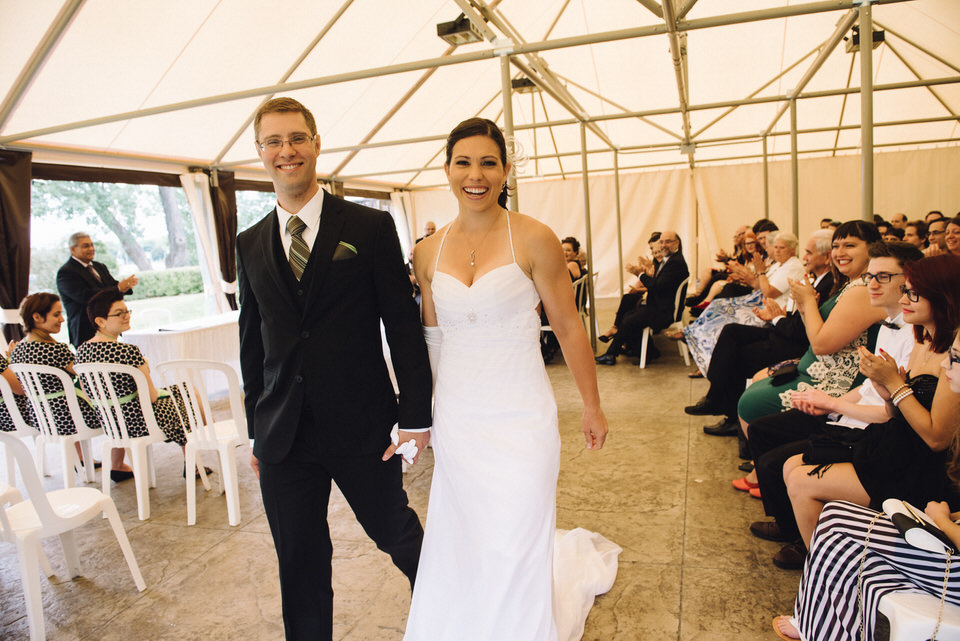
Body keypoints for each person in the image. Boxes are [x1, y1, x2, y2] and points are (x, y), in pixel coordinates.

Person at [404, 117, 611, 641]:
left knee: (518, 530)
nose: (476, 175)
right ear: (446, 168)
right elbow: (432, 339)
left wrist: (592, 404)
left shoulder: (534, 237)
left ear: (505, 169)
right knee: (468, 533)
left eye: (488, 163)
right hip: (458, 415)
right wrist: (420, 420)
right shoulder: (427, 252)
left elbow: (567, 326)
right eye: (464, 163)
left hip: (521, 413)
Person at [235, 97, 433, 641]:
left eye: (296, 138)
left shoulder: (369, 227)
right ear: (260, 153)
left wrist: (415, 415)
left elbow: (402, 327)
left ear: (317, 144)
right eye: (273, 142)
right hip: (284, 437)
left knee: (398, 535)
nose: (286, 151)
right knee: (298, 561)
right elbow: (252, 345)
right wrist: (256, 429)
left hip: (361, 425)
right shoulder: (249, 242)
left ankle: (454, 615)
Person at [773, 324, 960, 641]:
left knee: (834, 521)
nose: (945, 364)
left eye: (955, 359)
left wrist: (943, 520)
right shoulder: (919, 340)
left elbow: (934, 438)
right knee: (830, 512)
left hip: (915, 481)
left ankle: (816, 622)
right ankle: (820, 620)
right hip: (896, 456)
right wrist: (891, 393)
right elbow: (898, 416)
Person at [744, 241, 923, 569]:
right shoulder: (887, 322)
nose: (871, 284)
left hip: (874, 429)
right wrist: (833, 405)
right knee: (763, 431)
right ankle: (793, 526)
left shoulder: (919, 337)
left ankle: (805, 541)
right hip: (853, 409)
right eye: (870, 276)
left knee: (776, 462)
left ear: (911, 281)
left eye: (883, 277)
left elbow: (825, 346)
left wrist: (832, 402)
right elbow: (872, 387)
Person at [736, 221, 885, 427]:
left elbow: (821, 345)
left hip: (836, 380)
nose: (839, 253)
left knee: (750, 401)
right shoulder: (851, 285)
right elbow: (815, 333)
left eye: (849, 246)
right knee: (753, 387)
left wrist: (807, 303)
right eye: (835, 246)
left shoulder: (864, 289)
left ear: (872, 248)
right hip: (815, 366)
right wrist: (805, 306)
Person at [688, 230, 834, 436]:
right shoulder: (816, 279)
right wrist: (779, 314)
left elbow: (799, 325)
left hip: (792, 341)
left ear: (826, 258)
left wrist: (776, 316)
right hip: (783, 327)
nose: (804, 257)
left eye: (809, 253)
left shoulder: (821, 281)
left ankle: (726, 410)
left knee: (737, 356)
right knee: (731, 331)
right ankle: (716, 395)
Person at [7, 293, 127, 479]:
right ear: (37, 317)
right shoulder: (56, 350)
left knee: (69, 399)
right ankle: (118, 465)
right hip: (71, 419)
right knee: (119, 406)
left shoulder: (17, 350)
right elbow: (87, 374)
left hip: (42, 419)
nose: (62, 319)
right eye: (56, 315)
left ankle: (84, 460)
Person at [75, 289, 192, 473]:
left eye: (127, 311)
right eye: (118, 313)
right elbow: (152, 397)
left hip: (110, 422)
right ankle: (193, 462)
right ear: (100, 321)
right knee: (187, 394)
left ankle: (117, 466)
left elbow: (87, 391)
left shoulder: (81, 352)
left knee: (179, 391)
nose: (126, 317)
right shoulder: (128, 351)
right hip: (140, 422)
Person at [595, 230, 688, 365]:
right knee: (628, 315)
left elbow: (656, 286)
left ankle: (613, 354)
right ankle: (646, 352)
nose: (663, 245)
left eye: (667, 241)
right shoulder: (671, 260)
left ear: (676, 243)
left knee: (629, 320)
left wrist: (639, 274)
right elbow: (658, 284)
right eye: (661, 242)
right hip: (660, 306)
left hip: (665, 312)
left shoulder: (675, 263)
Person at [56, 232, 137, 347]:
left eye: (92, 245)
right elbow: (85, 296)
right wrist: (118, 288)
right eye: (86, 246)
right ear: (73, 249)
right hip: (85, 329)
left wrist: (125, 286)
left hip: (110, 327)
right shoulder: (66, 272)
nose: (91, 249)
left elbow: (111, 286)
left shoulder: (99, 266)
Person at [598, 232, 661, 343]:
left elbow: (658, 287)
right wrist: (643, 273)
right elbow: (649, 284)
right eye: (652, 250)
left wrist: (641, 275)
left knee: (629, 303)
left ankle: (618, 333)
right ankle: (620, 335)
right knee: (628, 299)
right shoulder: (656, 263)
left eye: (655, 250)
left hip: (657, 304)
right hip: (652, 297)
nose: (653, 252)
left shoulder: (665, 265)